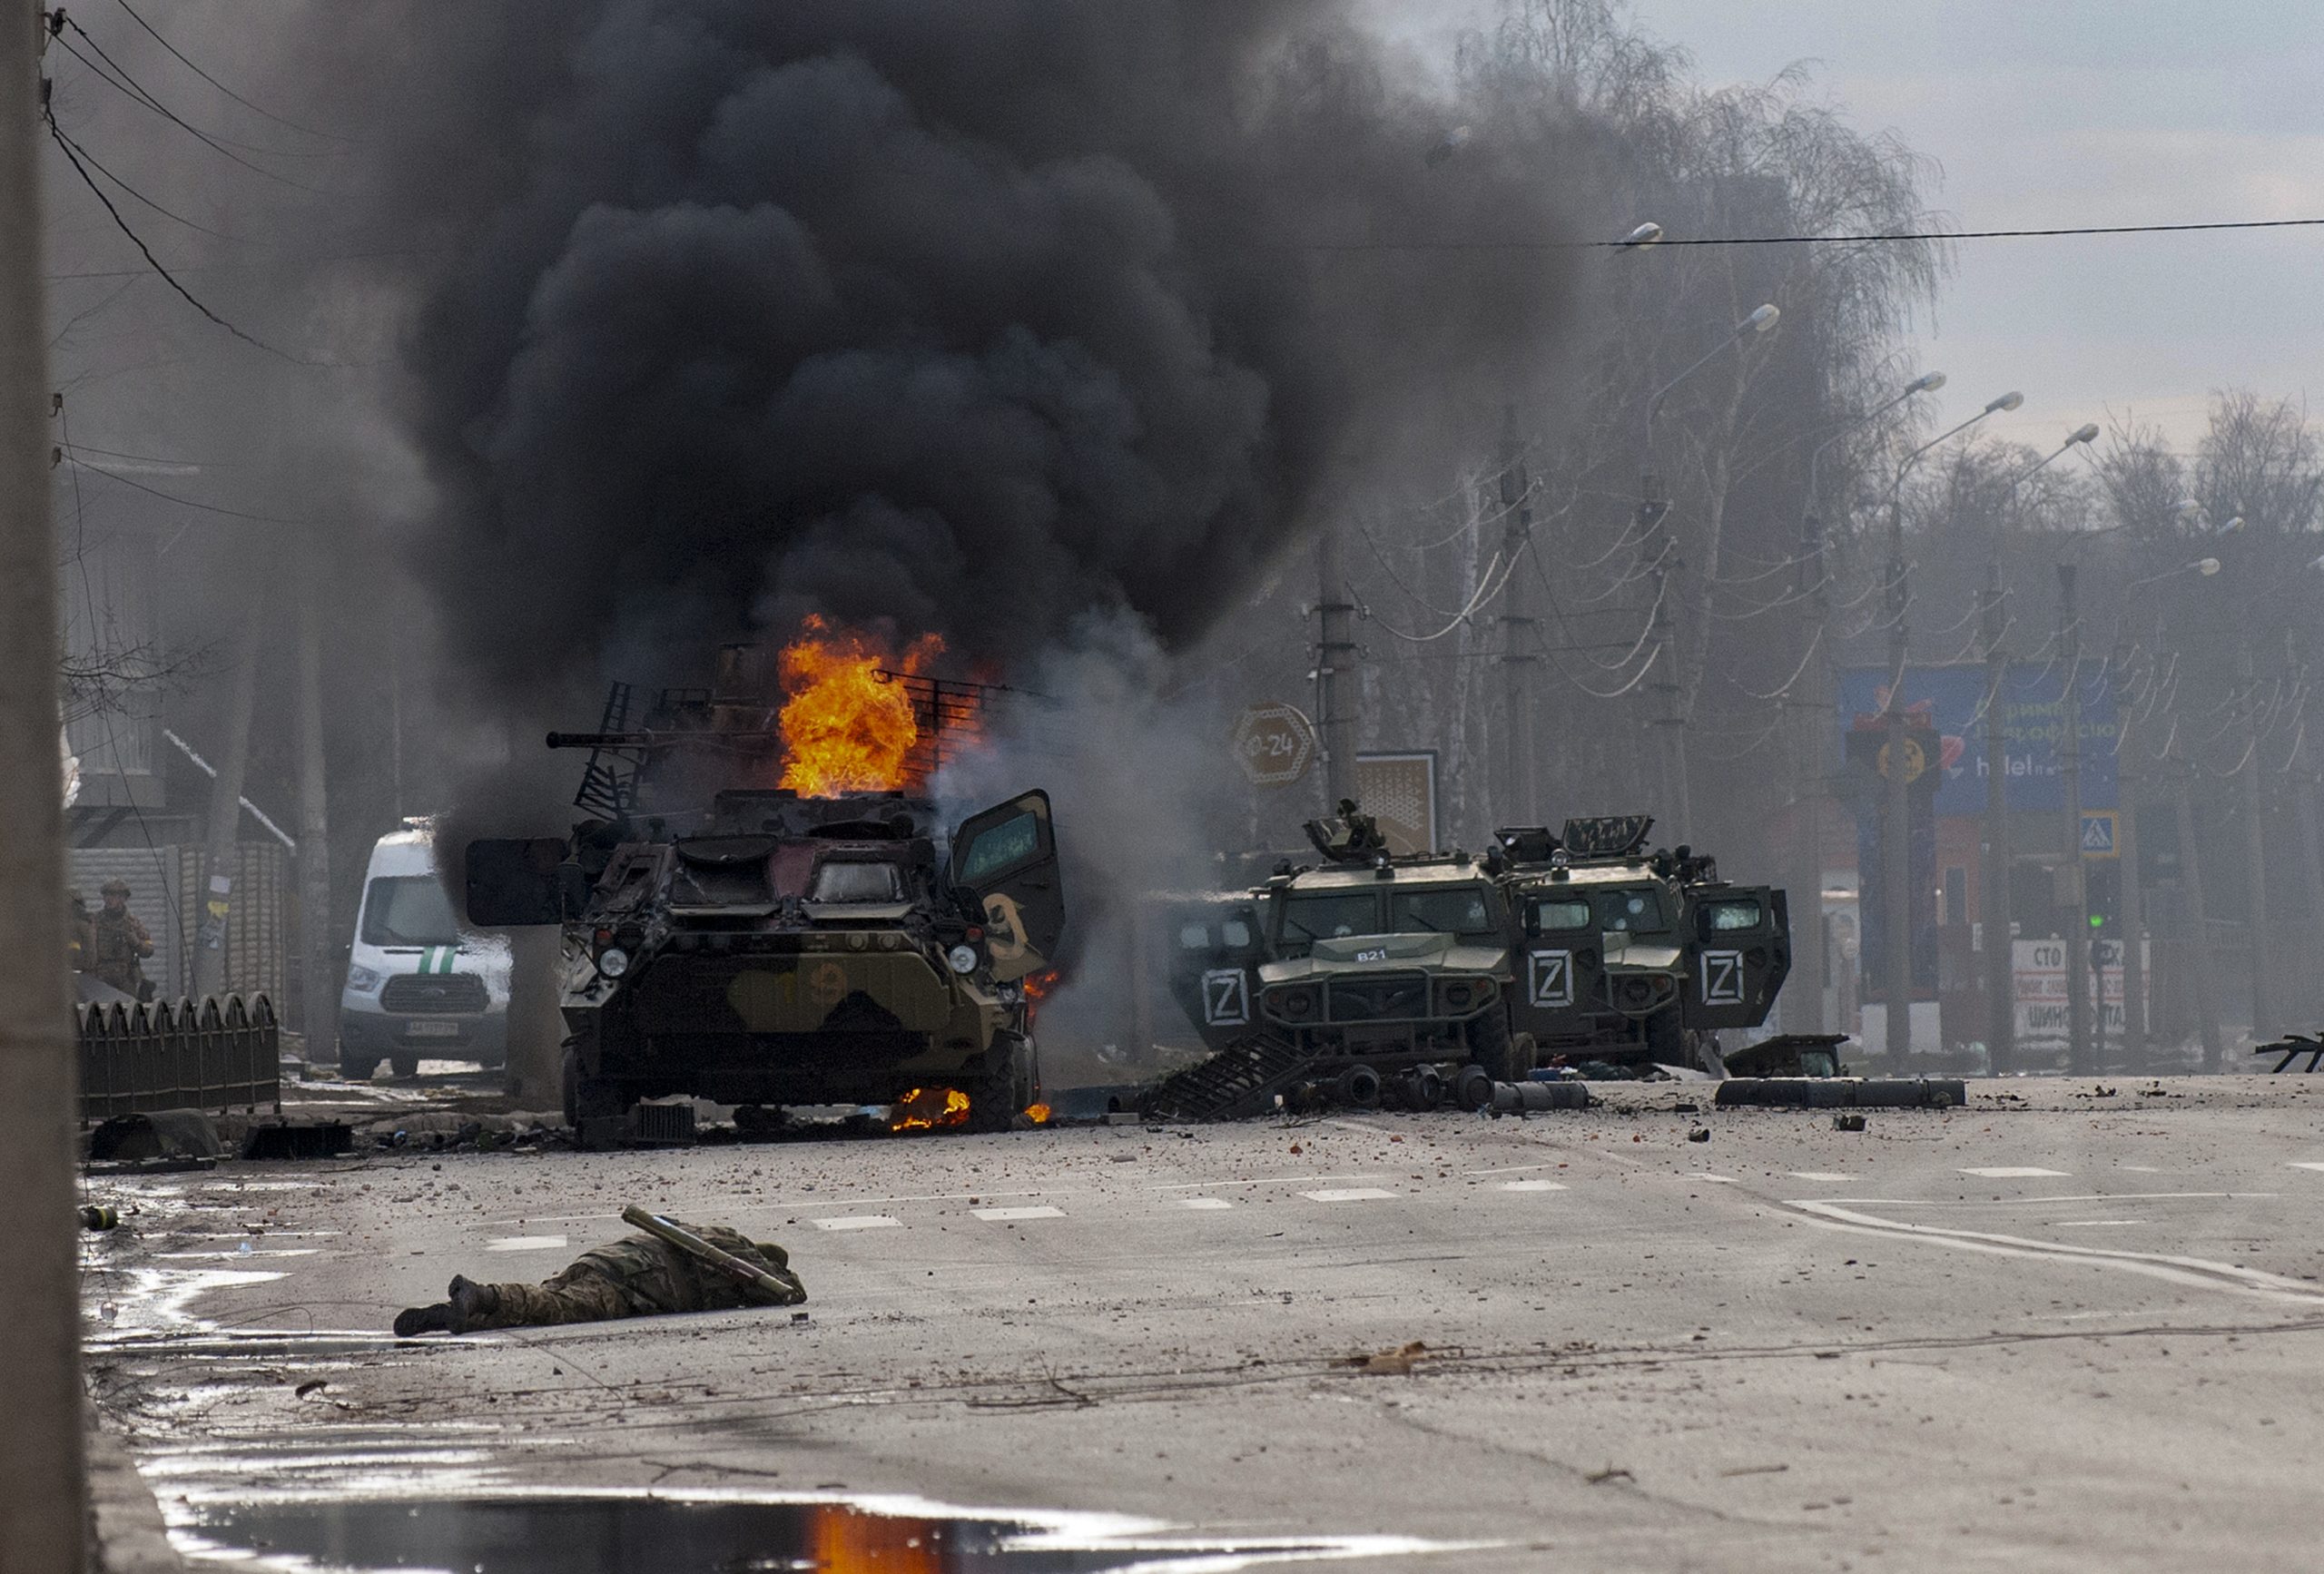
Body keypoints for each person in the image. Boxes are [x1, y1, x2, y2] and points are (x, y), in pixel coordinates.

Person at [393, 1217, 804, 1336]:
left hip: (605, 1261)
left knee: (546, 1302)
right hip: (637, 1283)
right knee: (556, 1308)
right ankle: (483, 1296)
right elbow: (792, 1295)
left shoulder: (715, 1234)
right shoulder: (745, 1263)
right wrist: (777, 1273)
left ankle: (455, 1316)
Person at [90, 879, 154, 999]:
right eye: (106, 895)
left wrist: (135, 942)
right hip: (101, 977)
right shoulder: (95, 921)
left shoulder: (132, 923)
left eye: (113, 895)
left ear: (123, 898)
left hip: (126, 979)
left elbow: (149, 950)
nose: (108, 899)